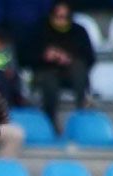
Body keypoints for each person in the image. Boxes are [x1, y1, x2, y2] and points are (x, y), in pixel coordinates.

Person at [31, 1, 94, 133]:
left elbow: (89, 58)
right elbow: (26, 57)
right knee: (49, 80)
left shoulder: (79, 32)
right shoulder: (39, 30)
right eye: (58, 17)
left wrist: (69, 58)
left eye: (65, 17)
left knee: (79, 67)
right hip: (46, 71)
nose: (61, 21)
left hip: (71, 73)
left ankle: (81, 112)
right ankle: (50, 120)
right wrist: (45, 56)